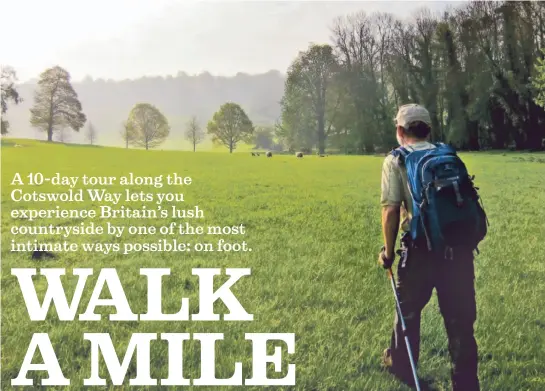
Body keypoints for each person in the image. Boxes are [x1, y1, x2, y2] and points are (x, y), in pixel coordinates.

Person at [378, 104, 480, 390]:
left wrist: (387, 253)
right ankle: (466, 382)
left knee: (408, 313)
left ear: (400, 131)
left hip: (420, 251)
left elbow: (390, 211)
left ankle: (401, 368)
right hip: (457, 250)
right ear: (428, 129)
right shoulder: (447, 155)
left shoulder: (396, 159)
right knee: (460, 321)